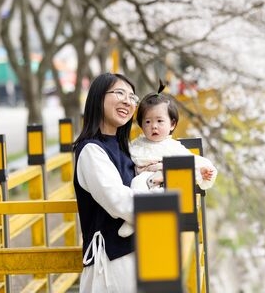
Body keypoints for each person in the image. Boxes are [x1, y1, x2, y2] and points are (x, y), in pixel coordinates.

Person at [118, 81, 217, 238]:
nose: (154, 127)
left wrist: (203, 171)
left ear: (172, 124)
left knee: (167, 193)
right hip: (144, 181)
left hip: (167, 183)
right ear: (141, 125)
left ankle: (146, 219)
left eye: (159, 121)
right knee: (136, 184)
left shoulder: (173, 147)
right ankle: (134, 219)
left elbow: (191, 162)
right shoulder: (136, 145)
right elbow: (126, 160)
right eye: (148, 122)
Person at [72, 73, 140, 293]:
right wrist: (164, 207)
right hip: (112, 263)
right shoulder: (91, 150)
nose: (127, 101)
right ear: (98, 98)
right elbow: (119, 202)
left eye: (132, 97)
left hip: (134, 255)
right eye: (119, 93)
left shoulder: (123, 148)